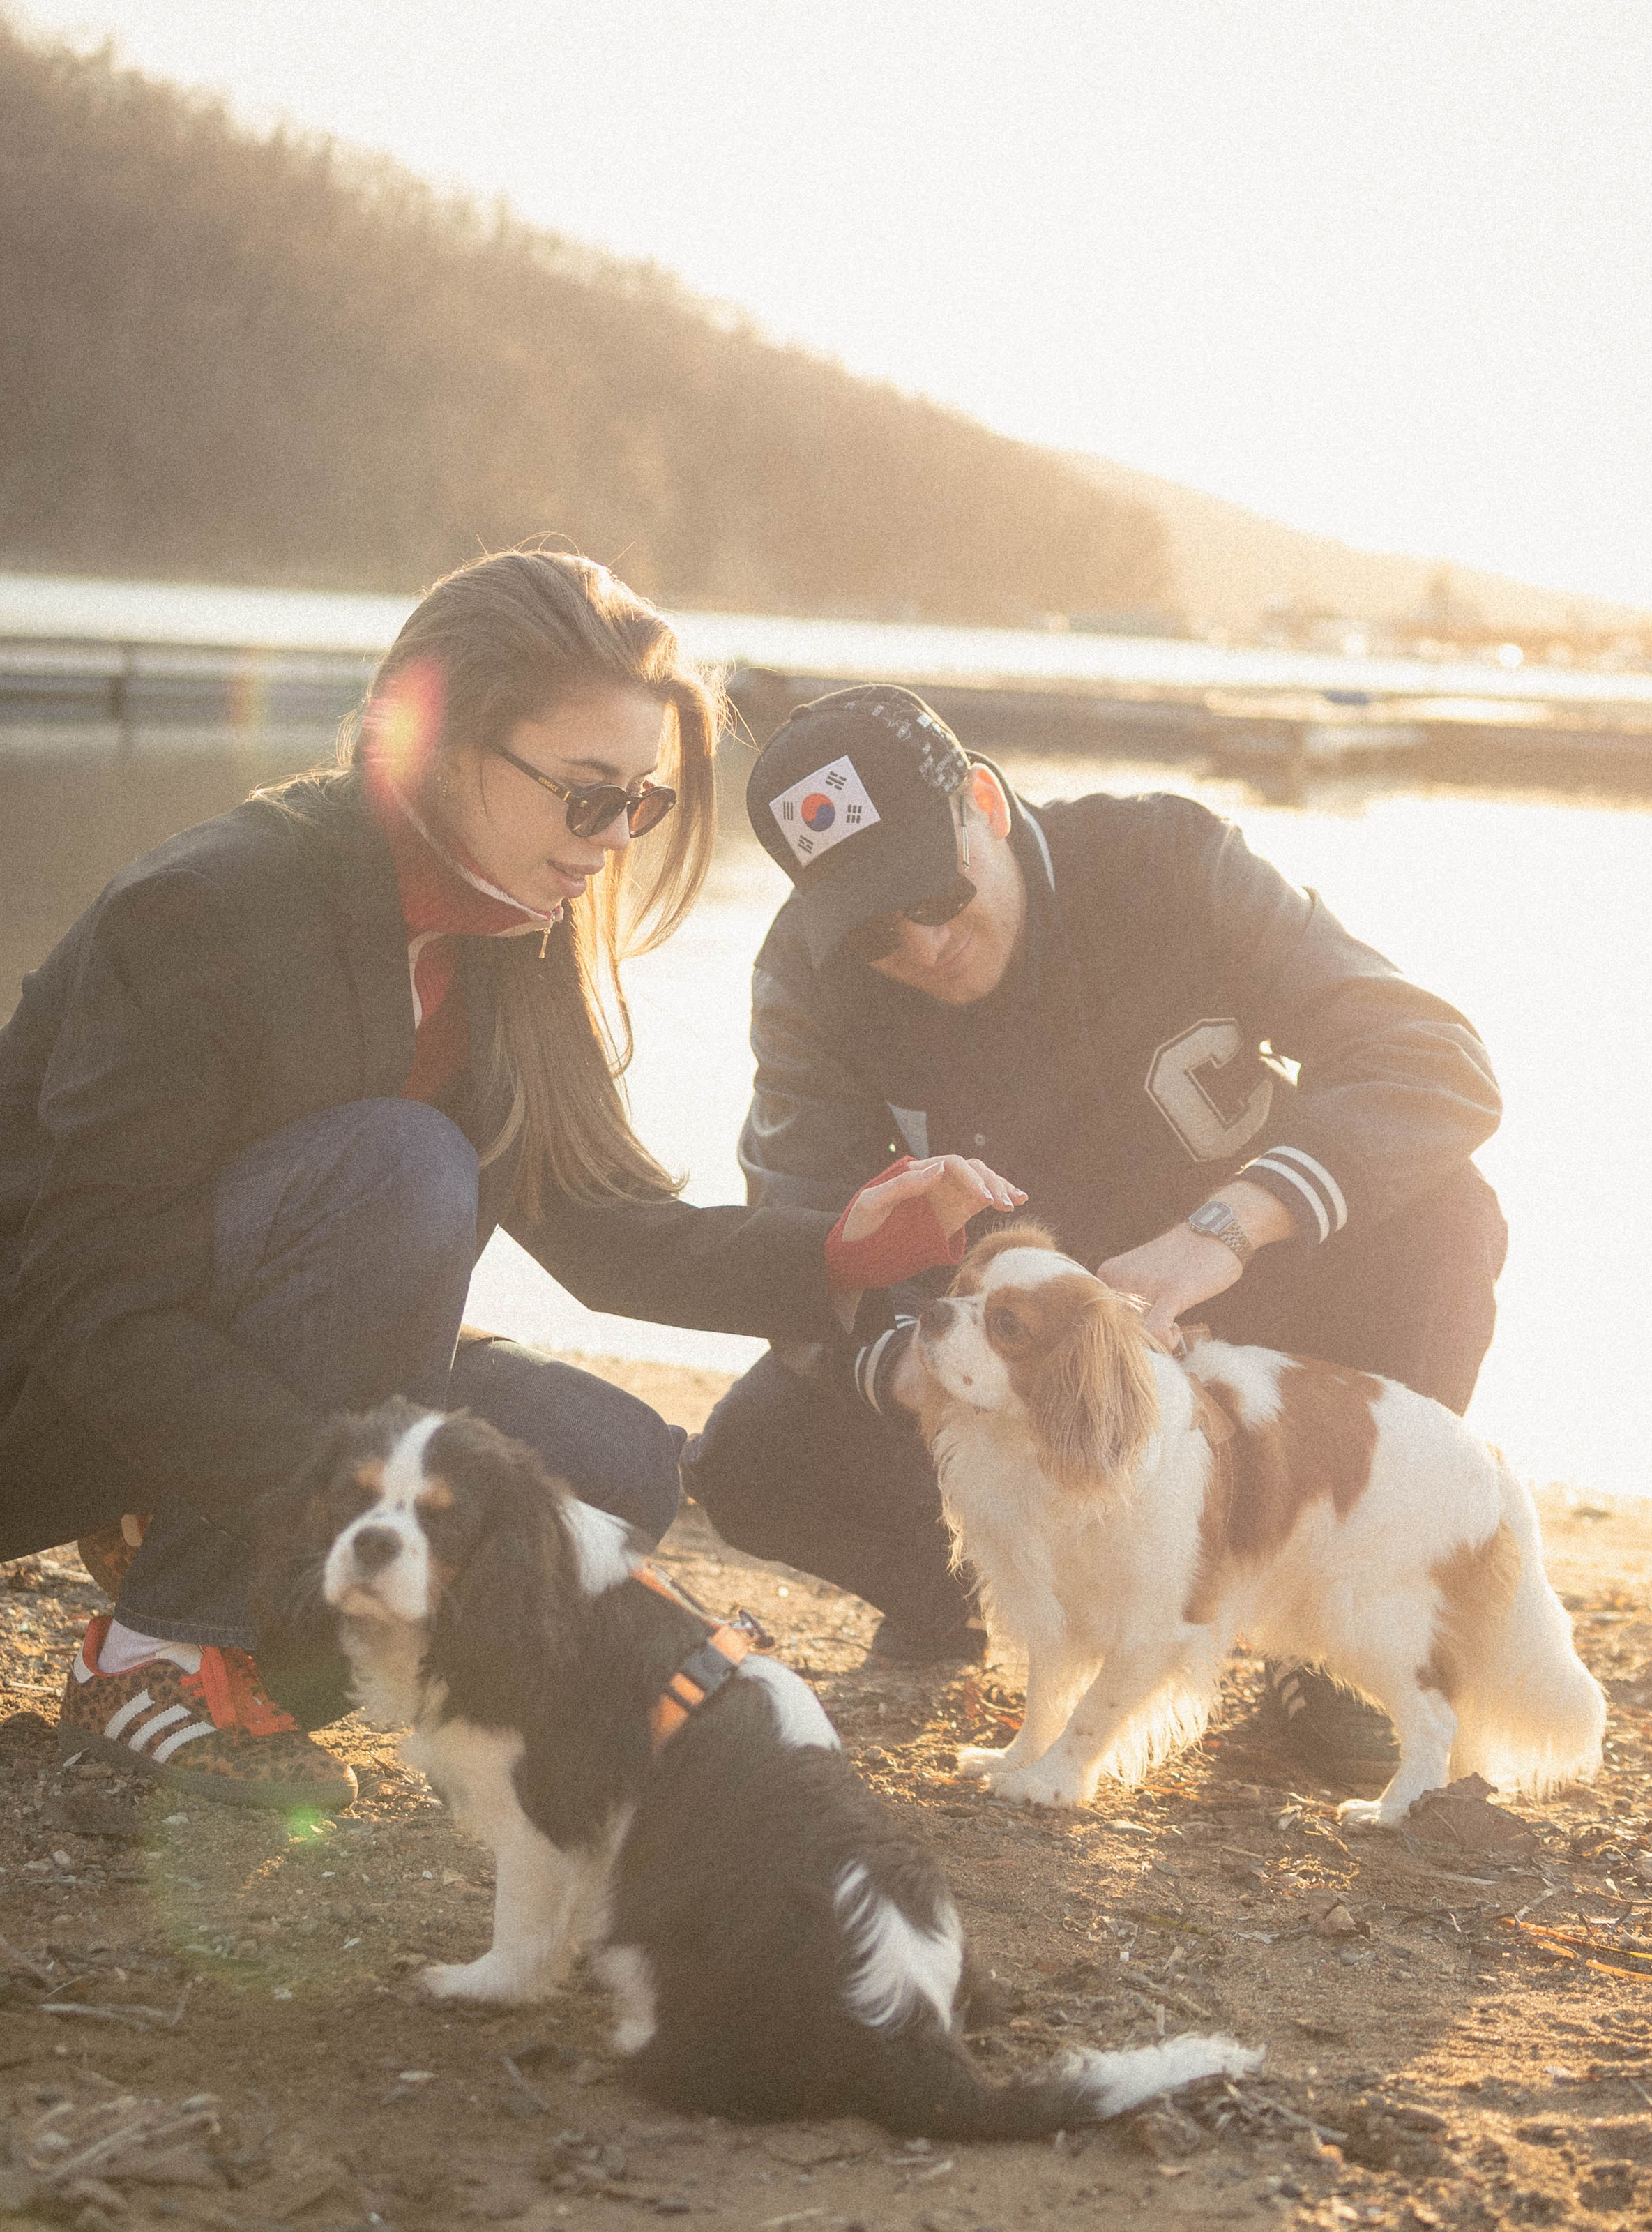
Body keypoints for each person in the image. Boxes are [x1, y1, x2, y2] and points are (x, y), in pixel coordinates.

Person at [0, 561, 1017, 1811]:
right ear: (433, 738)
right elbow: (82, 1302)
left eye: (638, 805)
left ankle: (266, 1632)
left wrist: (842, 1251)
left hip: (206, 1373)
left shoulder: (508, 938)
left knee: (613, 1468)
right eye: (588, 797)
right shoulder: (212, 909)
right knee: (404, 1167)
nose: (611, 844)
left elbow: (605, 1232)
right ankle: (156, 1657)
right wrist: (343, 1480)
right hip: (43, 1384)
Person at [685, 685, 1509, 1786]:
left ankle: (1315, 1627)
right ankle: (980, 1598)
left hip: (1244, 1299)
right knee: (749, 1462)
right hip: (1006, 1352)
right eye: (876, 930)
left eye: (935, 892)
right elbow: (793, 1229)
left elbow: (1436, 1064)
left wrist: (1227, 1227)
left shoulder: (1167, 857)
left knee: (1449, 1216)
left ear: (982, 799)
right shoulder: (804, 979)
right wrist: (912, 1370)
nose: (924, 944)